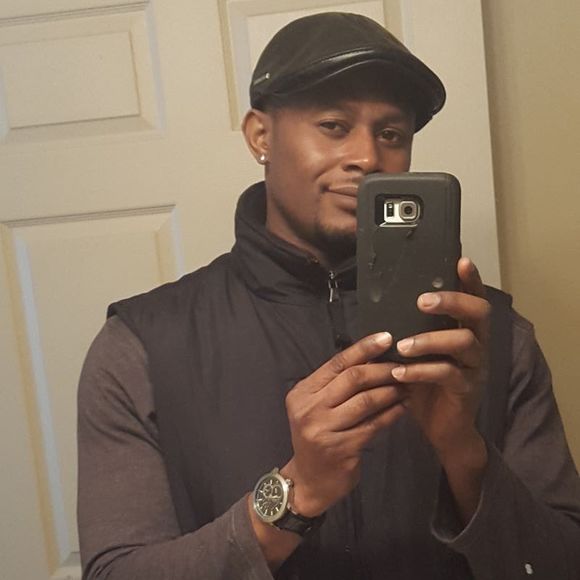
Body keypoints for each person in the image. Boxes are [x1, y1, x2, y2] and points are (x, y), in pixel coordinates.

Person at [77, 12, 580, 580]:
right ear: (261, 136)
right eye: (334, 125)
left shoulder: (491, 336)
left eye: (391, 134)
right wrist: (296, 494)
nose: (367, 156)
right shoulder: (142, 346)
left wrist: (464, 452)